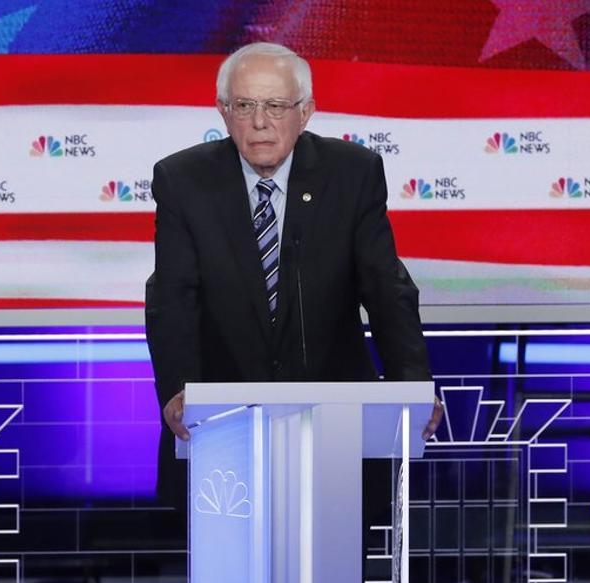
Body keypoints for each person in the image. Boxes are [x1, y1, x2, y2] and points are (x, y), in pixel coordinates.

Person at [145, 42, 442, 502]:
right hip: (224, 425)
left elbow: (386, 288)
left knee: (335, 566)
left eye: (276, 106)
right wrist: (178, 390)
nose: (260, 122)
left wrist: (412, 385)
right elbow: (172, 297)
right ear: (223, 112)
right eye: (244, 105)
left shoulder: (352, 173)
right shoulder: (183, 181)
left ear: (306, 113)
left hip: (335, 421)